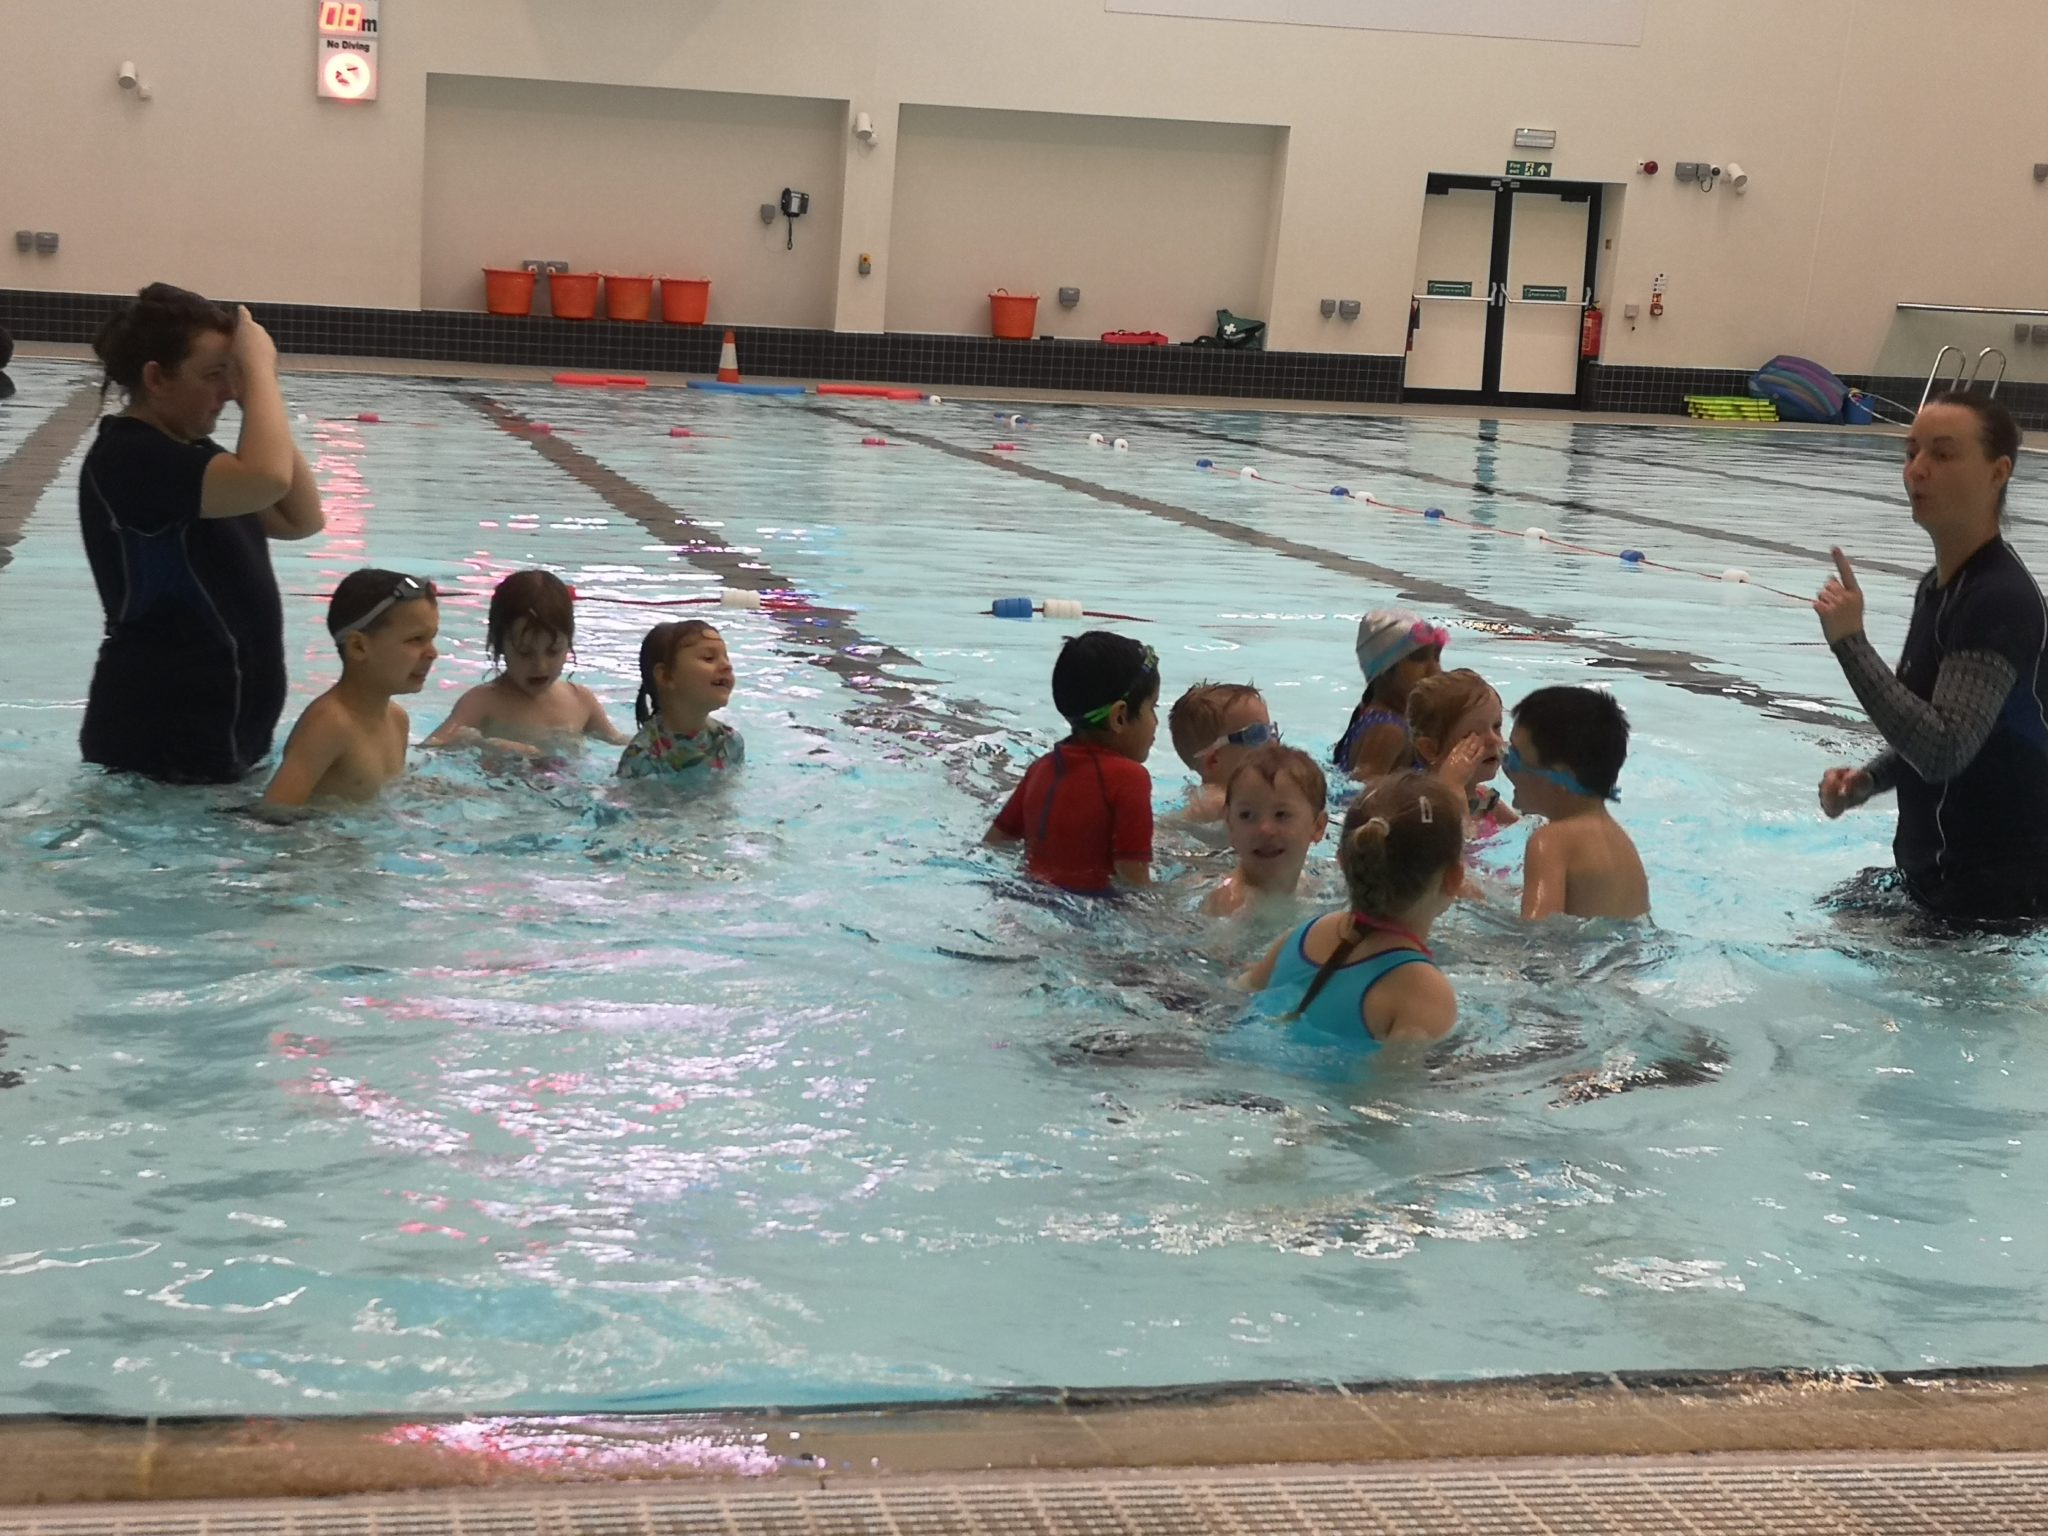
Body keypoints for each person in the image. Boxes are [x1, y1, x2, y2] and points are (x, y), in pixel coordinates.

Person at [1816, 392, 2048, 924]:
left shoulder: (1997, 598)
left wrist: (1850, 644)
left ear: (1998, 472)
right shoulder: (1941, 588)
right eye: (1911, 452)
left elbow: (1946, 749)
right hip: (1938, 880)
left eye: (1942, 455)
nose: (1917, 470)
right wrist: (1869, 780)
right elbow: (1940, 728)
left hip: (1997, 901)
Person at [79, 284, 323, 783]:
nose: (229, 391)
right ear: (156, 378)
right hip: (157, 749)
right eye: (214, 376)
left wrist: (255, 384)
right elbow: (267, 478)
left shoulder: (199, 457)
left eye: (231, 375)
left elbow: (301, 518)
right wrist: (258, 376)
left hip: (215, 746)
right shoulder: (129, 459)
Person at [1237, 774, 1463, 1046]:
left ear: (1343, 863)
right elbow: (1393, 1086)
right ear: (1454, 879)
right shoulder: (1423, 992)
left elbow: (1238, 996)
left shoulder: (1300, 937)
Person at [986, 631, 1159, 893]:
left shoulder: (1041, 768)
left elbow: (994, 844)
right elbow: (1134, 882)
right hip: (1093, 914)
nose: (1155, 722)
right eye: (1152, 708)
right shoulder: (1130, 778)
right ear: (1120, 717)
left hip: (1031, 896)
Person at [263, 571, 440, 808]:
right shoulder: (329, 724)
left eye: (431, 638)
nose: (432, 653)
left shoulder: (398, 720)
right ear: (358, 646)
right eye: (416, 639)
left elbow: (386, 794)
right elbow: (273, 812)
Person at [423, 570, 626, 757]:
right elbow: (428, 749)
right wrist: (476, 743)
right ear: (499, 644)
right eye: (525, 652)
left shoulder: (581, 700)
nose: (541, 666)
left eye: (553, 651)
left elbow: (620, 743)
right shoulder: (481, 703)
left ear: (569, 643)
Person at [1504, 687, 1649, 920]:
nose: (1506, 765)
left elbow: (1535, 937)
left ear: (1558, 777)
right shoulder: (1621, 841)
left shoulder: (1550, 841)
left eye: (1515, 756)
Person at [1202, 744, 1329, 917]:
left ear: (1318, 827)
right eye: (1246, 815)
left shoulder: (1316, 886)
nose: (1265, 829)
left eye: (1281, 815)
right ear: (1230, 825)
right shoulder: (1232, 906)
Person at [617, 620, 743, 782]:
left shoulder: (730, 742)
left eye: (726, 658)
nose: (727, 666)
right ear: (666, 676)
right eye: (709, 658)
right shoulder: (642, 756)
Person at [1333, 610, 1446, 781]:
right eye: (1419, 658)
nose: (1434, 669)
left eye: (1436, 657)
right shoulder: (1389, 731)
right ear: (1384, 670)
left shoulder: (1372, 713)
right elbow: (1358, 797)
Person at [1407, 668, 1518, 839]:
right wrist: (1453, 788)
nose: (1494, 740)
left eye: (1496, 726)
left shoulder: (1484, 799)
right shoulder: (1423, 806)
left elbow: (1526, 833)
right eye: (1472, 735)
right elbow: (1456, 850)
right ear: (1430, 749)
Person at [1166, 681, 1277, 825]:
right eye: (1258, 734)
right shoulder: (1216, 802)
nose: (1273, 743)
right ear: (1214, 761)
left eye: (1271, 730)